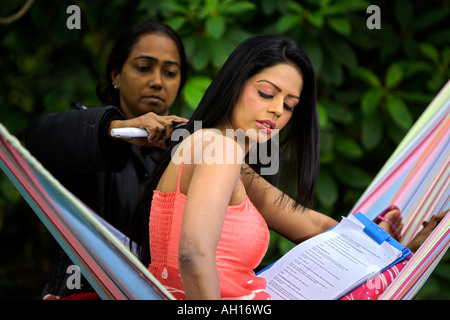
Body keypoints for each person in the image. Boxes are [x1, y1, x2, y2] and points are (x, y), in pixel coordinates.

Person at [127, 34, 446, 300]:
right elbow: (193, 254)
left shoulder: (223, 156)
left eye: (290, 104)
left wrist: (394, 249)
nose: (277, 109)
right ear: (236, 84)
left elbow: (312, 226)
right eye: (266, 93)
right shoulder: (219, 148)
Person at [25, 20, 189, 299]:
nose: (158, 81)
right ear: (116, 75)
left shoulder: (190, 149)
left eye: (170, 72)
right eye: (143, 67)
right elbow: (37, 139)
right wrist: (115, 130)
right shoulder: (90, 133)